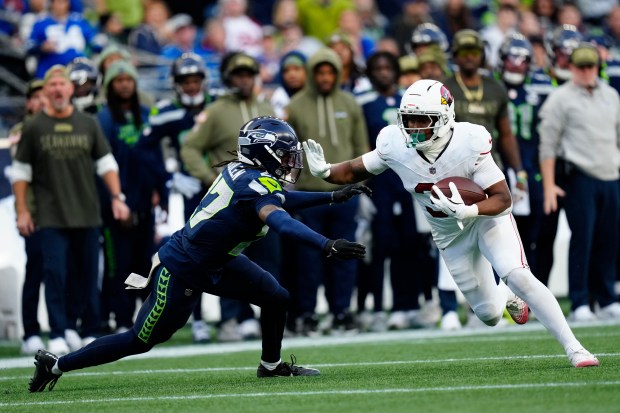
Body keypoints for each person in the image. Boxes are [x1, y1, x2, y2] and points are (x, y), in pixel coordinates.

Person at [28, 116, 369, 392]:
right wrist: (327, 244)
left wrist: (331, 196)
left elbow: (278, 200)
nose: (290, 161)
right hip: (183, 268)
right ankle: (55, 365)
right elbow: (280, 221)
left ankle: (271, 366)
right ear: (264, 152)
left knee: (276, 297)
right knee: (140, 340)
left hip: (218, 261)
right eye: (284, 153)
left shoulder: (246, 173)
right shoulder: (254, 187)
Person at [302, 79, 600, 368]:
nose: (414, 128)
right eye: (409, 120)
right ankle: (506, 296)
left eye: (423, 120)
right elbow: (355, 169)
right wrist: (326, 171)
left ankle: (575, 347)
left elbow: (502, 198)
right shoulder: (394, 143)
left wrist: (470, 210)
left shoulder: (469, 141)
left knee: (518, 275)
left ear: (445, 118)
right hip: (449, 236)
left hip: (485, 218)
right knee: (489, 315)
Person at [12, 65, 130, 355]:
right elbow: (20, 173)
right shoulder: (33, 127)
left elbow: (107, 164)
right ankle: (58, 331)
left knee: (88, 274)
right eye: (51, 85)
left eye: (61, 84)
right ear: (47, 91)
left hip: (87, 212)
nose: (57, 89)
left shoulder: (88, 123)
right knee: (55, 274)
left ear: (70, 88)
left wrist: (117, 197)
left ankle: (87, 329)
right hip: (50, 215)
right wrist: (23, 211)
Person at [181, 52, 275, 342]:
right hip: (232, 202)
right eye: (238, 74)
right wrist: (211, 179)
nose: (244, 79)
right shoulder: (216, 110)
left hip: (265, 195)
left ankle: (262, 316)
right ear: (228, 78)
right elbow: (189, 147)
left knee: (267, 258)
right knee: (230, 258)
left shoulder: (265, 106)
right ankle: (231, 318)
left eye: (249, 74)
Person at [285, 47, 369, 335]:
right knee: (308, 260)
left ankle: (342, 312)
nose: (324, 77)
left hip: (345, 193)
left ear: (337, 73)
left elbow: (361, 148)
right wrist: (289, 188)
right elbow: (289, 151)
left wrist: (363, 185)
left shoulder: (350, 103)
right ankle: (308, 314)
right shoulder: (295, 105)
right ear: (312, 74)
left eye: (330, 72)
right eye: (319, 72)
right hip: (309, 196)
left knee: (346, 255)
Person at [538, 42, 620, 322]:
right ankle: (580, 300)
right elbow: (547, 146)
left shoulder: (611, 96)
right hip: (579, 176)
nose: (586, 72)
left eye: (591, 66)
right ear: (571, 67)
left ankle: (606, 298)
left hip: (610, 174)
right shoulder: (559, 99)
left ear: (597, 67)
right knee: (582, 239)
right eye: (581, 66)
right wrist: (549, 185)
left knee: (609, 240)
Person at [139, 52, 215, 343]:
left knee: (233, 249)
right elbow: (144, 148)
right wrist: (169, 176)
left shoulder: (218, 104)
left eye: (196, 79)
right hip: (192, 189)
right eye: (187, 80)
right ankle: (197, 319)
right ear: (176, 83)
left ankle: (239, 316)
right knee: (194, 254)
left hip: (227, 186)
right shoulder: (167, 110)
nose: (193, 85)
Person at [8, 80, 47, 355]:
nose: (42, 100)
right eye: (36, 97)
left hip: (63, 212)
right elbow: (22, 172)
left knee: (66, 272)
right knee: (36, 269)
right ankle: (30, 331)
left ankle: (67, 326)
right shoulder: (21, 131)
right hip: (34, 211)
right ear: (29, 103)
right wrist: (23, 211)